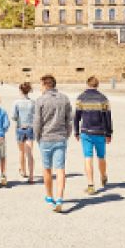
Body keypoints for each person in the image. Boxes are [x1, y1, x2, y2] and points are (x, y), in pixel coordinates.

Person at [33, 74, 72, 213]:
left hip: (46, 138)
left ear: (45, 85)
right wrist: (66, 135)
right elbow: (69, 120)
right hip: (60, 137)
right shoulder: (65, 98)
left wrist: (37, 137)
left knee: (47, 169)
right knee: (60, 169)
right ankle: (60, 198)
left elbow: (37, 122)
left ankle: (49, 196)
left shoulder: (40, 100)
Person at [74, 76, 113, 195]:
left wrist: (76, 131)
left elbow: (76, 117)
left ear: (87, 84)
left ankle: (91, 185)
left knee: (88, 157)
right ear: (97, 85)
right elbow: (108, 117)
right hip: (100, 132)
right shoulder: (103, 99)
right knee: (101, 157)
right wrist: (109, 133)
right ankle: (103, 175)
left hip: (86, 132)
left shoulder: (81, 98)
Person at [12, 82, 36, 183]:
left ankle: (23, 171)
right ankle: (31, 176)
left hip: (20, 128)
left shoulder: (16, 102)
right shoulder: (33, 102)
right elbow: (36, 116)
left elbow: (14, 117)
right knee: (29, 153)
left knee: (21, 152)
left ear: (20, 90)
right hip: (30, 128)